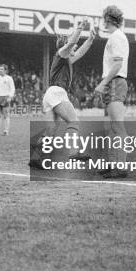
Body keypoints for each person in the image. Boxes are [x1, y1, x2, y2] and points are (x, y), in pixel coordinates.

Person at [30, 22, 95, 168]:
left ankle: (35, 158)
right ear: (67, 46)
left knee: (51, 130)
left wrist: (90, 40)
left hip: (51, 95)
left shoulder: (66, 59)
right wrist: (80, 28)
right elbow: (72, 43)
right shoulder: (61, 54)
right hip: (57, 93)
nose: (75, 48)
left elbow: (80, 51)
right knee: (74, 121)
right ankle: (73, 153)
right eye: (73, 47)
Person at [94, 5, 130, 179]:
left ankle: (120, 167)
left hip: (115, 82)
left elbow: (117, 65)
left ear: (108, 19)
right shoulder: (117, 37)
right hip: (113, 82)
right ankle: (112, 163)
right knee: (110, 127)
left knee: (117, 126)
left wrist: (103, 83)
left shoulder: (116, 37)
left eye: (104, 18)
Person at [0, 64, 15, 136]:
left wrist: (10, 97)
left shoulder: (9, 78)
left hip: (5, 97)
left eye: (2, 69)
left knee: (5, 115)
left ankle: (6, 131)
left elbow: (12, 88)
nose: (0, 70)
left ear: (5, 70)